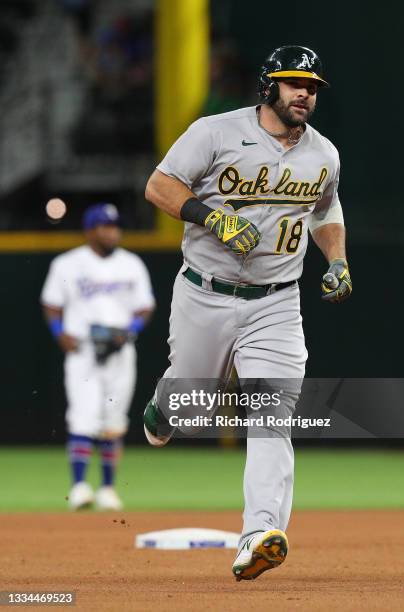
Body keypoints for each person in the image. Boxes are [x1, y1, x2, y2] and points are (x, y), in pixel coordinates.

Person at [143, 45, 352, 580]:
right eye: (291, 82)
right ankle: (165, 408)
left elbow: (325, 207)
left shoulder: (323, 153)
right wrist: (210, 218)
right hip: (205, 292)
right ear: (269, 86)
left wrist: (338, 260)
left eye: (311, 86)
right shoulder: (214, 132)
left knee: (270, 420)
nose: (303, 92)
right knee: (191, 412)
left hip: (278, 302)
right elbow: (159, 186)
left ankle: (259, 533)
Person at [41, 203, 155, 510]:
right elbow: (51, 303)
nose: (111, 231)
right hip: (84, 350)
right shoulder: (68, 264)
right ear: (90, 230)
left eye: (115, 226)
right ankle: (79, 486)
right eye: (105, 226)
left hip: (120, 351)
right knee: (83, 415)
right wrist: (58, 332)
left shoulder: (131, 263)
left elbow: (145, 306)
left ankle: (107, 488)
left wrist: (130, 329)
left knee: (114, 420)